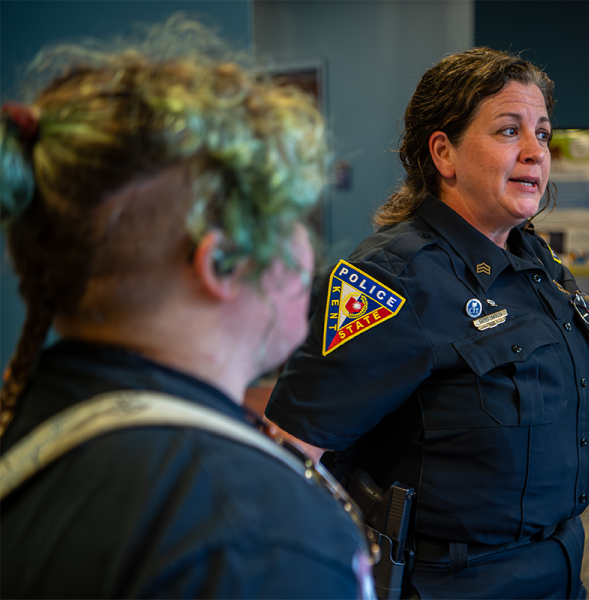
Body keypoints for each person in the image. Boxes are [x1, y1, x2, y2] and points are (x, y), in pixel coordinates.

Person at [0, 17, 374, 600]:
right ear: (222, 263)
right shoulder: (258, 532)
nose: (309, 249)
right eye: (293, 221)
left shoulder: (24, 418)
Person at [266, 48, 589, 600]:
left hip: (558, 565)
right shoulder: (391, 277)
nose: (535, 152)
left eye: (543, 134)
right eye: (509, 131)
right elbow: (293, 453)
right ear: (444, 153)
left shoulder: (534, 261)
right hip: (454, 582)